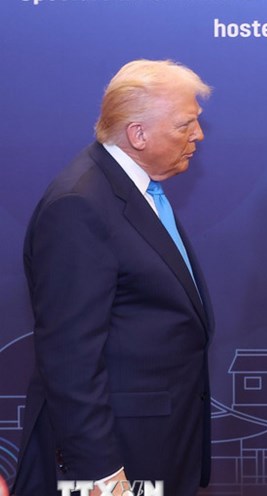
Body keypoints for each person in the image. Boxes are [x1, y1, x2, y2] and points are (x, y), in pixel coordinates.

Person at [13, 60, 214, 496]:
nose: (198, 135)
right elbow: (70, 360)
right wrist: (101, 477)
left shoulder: (135, 190)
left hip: (157, 445)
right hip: (115, 462)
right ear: (138, 134)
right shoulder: (80, 204)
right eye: (186, 125)